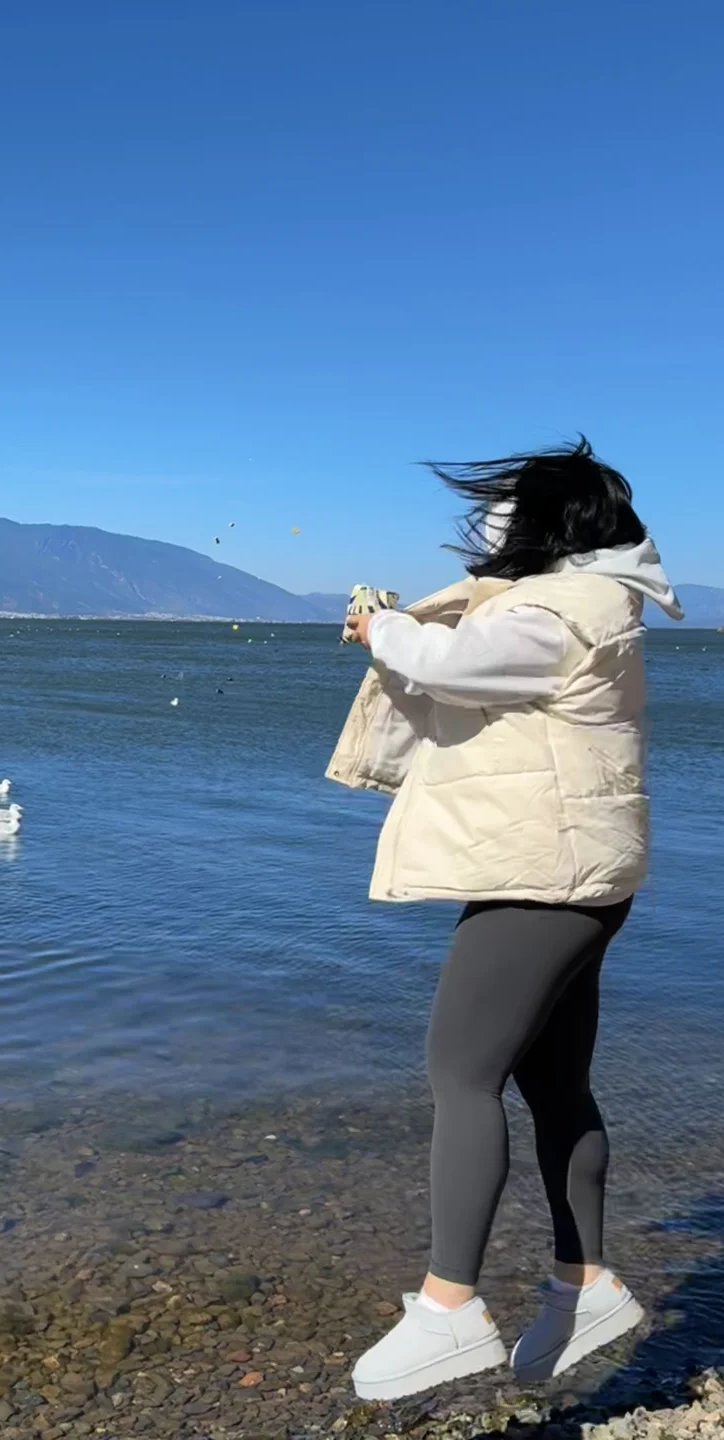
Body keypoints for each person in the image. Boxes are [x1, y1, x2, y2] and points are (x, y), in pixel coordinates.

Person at [329, 438, 683, 1401]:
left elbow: (454, 663)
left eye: (506, 509)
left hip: (544, 872)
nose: (489, 524)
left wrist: (385, 624)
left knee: (460, 1072)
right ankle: (585, 1283)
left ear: (550, 524)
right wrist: (402, 627)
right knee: (552, 1081)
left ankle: (449, 1309)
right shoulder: (585, 604)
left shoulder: (563, 615)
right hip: (574, 868)